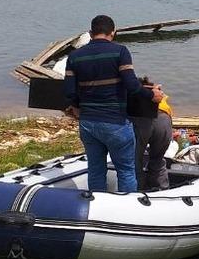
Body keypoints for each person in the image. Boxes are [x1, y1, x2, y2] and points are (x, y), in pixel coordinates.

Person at [64, 15, 161, 193]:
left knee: (95, 170)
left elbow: (70, 92)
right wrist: (151, 95)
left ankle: (97, 207)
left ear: (91, 33)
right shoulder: (120, 52)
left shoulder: (74, 57)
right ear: (113, 32)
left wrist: (77, 107)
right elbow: (132, 86)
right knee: (125, 171)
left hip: (88, 124)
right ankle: (127, 209)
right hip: (115, 123)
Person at [129, 76, 173, 191]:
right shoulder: (158, 94)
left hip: (143, 122)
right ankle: (162, 189)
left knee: (136, 161)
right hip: (164, 121)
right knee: (158, 159)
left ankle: (138, 190)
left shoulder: (134, 94)